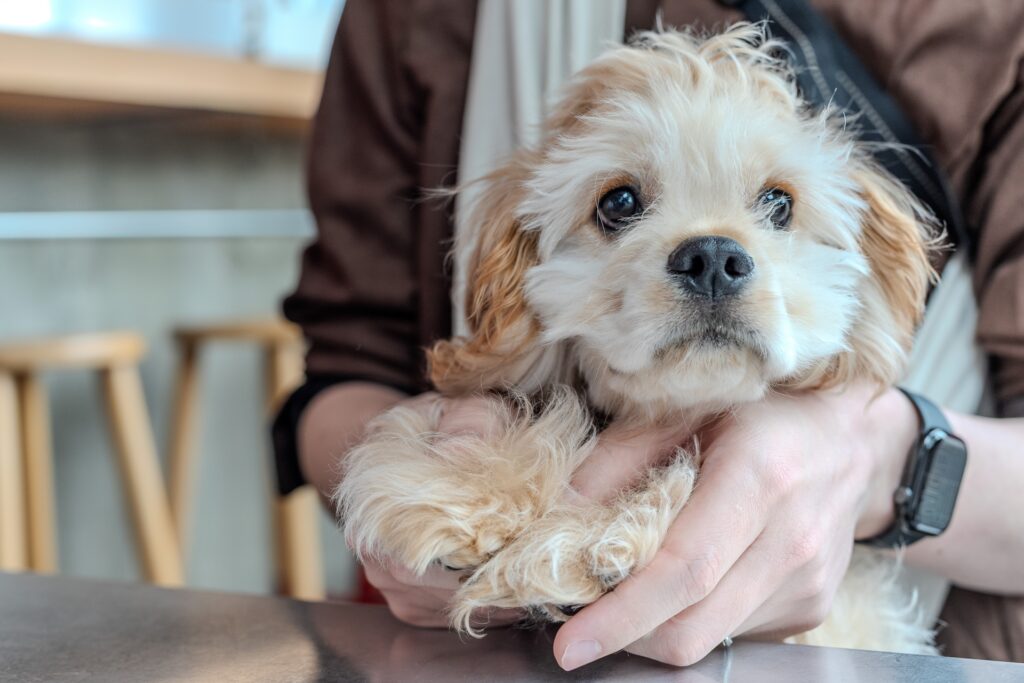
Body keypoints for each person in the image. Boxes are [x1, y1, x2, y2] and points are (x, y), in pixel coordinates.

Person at [273, 0, 1024, 668]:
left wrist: (884, 458)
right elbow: (341, 368)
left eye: (777, 205)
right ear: (516, 259)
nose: (715, 259)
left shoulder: (986, 24)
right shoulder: (412, 14)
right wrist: (419, 456)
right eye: (621, 205)